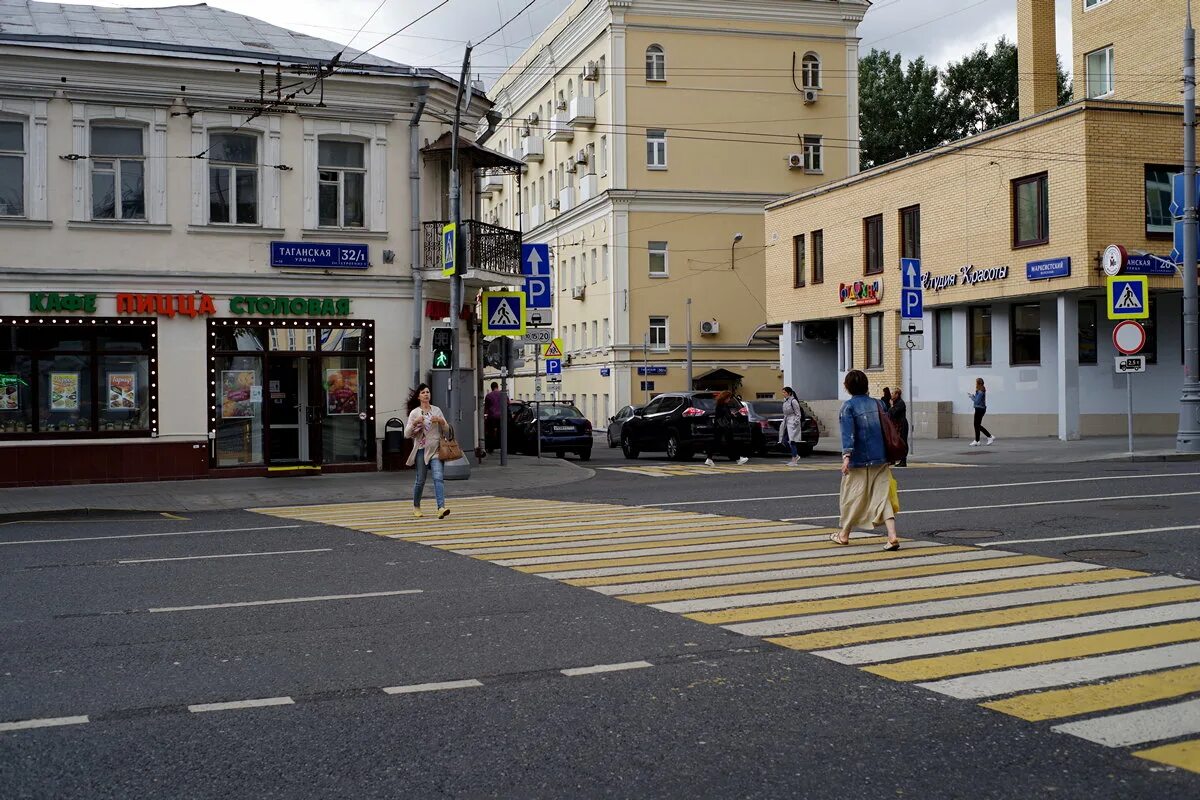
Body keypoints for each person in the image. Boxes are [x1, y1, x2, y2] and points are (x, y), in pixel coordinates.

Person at [833, 369, 900, 551]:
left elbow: (849, 435)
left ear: (847, 387)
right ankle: (892, 536)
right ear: (866, 386)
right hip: (881, 458)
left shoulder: (848, 407)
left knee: (852, 497)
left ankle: (844, 535)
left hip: (858, 460)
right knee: (882, 496)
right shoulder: (878, 404)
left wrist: (846, 457)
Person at [405, 383, 450, 519]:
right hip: (421, 450)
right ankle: (416, 506)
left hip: (436, 449)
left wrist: (441, 421)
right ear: (419, 396)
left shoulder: (436, 410)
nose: (426, 394)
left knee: (438, 477)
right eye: (423, 392)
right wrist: (414, 422)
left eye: (428, 392)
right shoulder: (415, 412)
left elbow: (447, 429)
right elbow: (407, 434)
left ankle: (441, 508)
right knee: (421, 480)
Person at [705, 390, 749, 467]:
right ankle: (738, 459)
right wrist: (730, 415)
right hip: (723, 426)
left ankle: (709, 459)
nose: (729, 399)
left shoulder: (723, 405)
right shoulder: (721, 405)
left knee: (722, 442)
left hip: (721, 426)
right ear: (725, 398)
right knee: (728, 443)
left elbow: (724, 415)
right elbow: (721, 416)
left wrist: (731, 414)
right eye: (729, 398)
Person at [780, 386, 805, 466]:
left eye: (784, 392)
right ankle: (795, 455)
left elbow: (798, 413)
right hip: (787, 421)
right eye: (783, 392)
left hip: (793, 422)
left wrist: (795, 423)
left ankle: (794, 459)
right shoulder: (786, 401)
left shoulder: (793, 401)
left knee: (792, 441)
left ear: (789, 393)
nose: (783, 394)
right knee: (784, 440)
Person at [968, 377, 995, 447]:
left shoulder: (980, 391)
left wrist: (971, 397)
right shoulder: (980, 390)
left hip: (979, 409)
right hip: (980, 409)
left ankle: (989, 436)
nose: (975, 384)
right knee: (976, 425)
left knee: (977, 425)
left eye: (976, 382)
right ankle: (977, 441)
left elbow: (977, 401)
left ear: (978, 383)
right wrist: (973, 396)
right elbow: (978, 400)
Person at [888, 387, 909, 467]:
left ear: (897, 394)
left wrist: (891, 406)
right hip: (896, 424)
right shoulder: (896, 402)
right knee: (894, 442)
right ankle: (893, 459)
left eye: (893, 393)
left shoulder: (900, 403)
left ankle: (903, 460)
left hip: (902, 424)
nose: (891, 395)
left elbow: (893, 413)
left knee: (903, 442)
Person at [484, 381, 503, 453]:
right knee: (501, 432)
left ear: (492, 388)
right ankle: (503, 447)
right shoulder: (503, 394)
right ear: (497, 386)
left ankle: (491, 448)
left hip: (492, 417)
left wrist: (485, 416)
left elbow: (486, 407)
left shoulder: (489, 396)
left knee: (490, 433)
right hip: (502, 417)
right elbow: (508, 403)